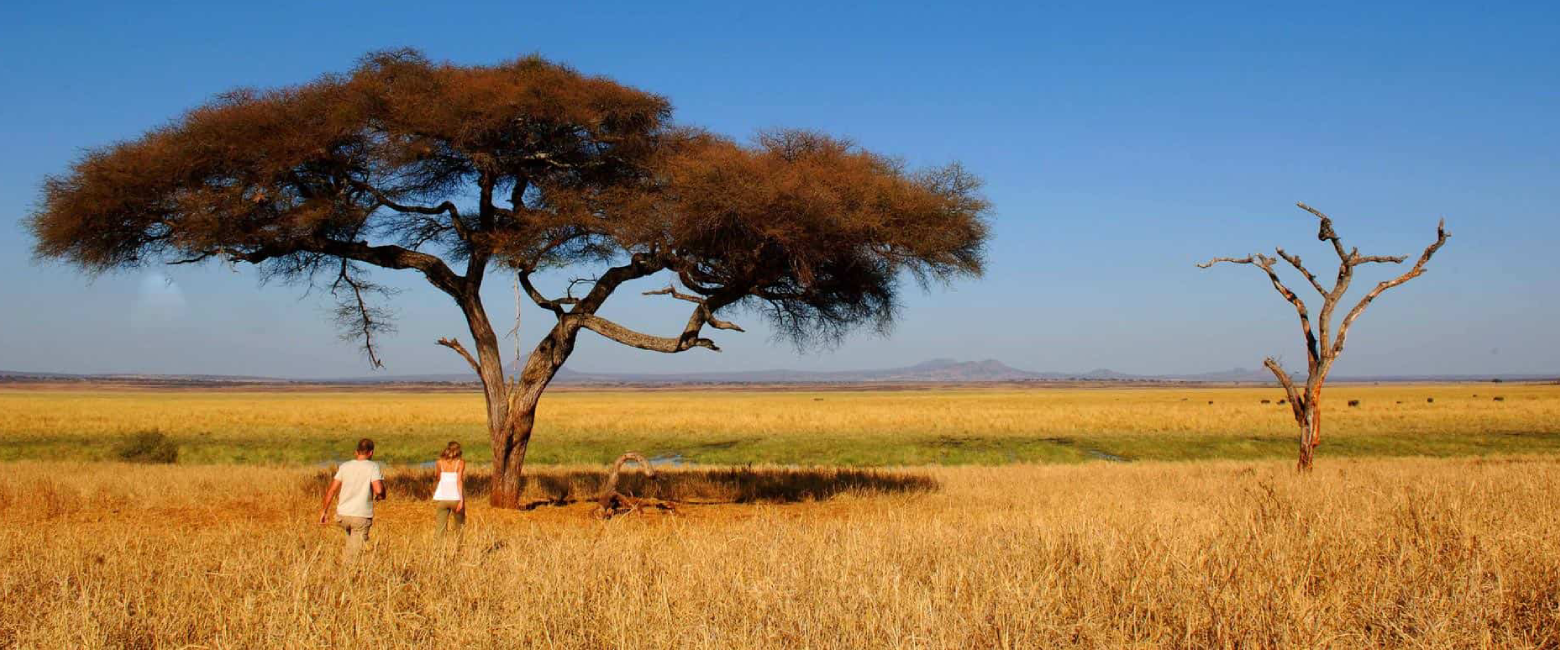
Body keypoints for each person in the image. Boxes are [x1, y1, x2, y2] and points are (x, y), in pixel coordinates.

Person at [319, 438, 385, 560]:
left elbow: (331, 490)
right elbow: (379, 490)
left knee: (352, 545)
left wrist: (324, 511)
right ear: (371, 453)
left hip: (343, 516)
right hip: (360, 516)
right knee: (354, 555)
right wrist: (381, 495)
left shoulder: (345, 466)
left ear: (356, 452)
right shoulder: (373, 467)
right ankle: (348, 569)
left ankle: (351, 563)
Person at [431, 441, 466, 537]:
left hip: (442, 498)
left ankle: (439, 546)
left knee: (440, 528)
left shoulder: (439, 463)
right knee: (459, 527)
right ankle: (458, 546)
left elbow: (438, 477)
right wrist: (461, 500)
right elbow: (459, 481)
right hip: (455, 498)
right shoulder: (460, 463)